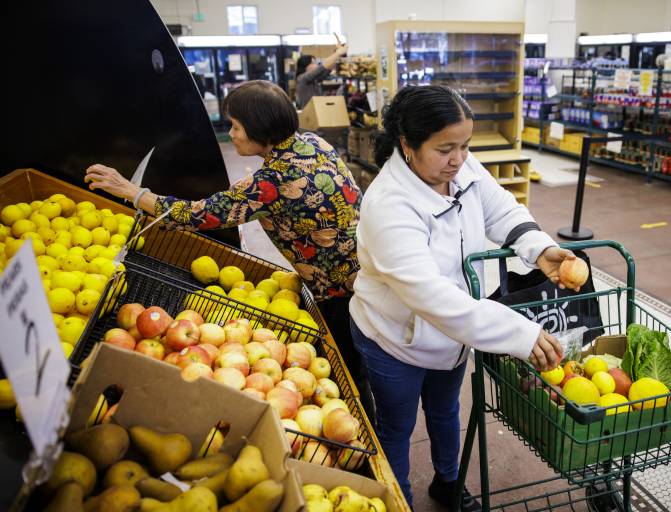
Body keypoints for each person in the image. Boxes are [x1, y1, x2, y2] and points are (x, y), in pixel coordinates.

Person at [84, 79, 375, 420]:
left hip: (338, 290)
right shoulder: (311, 142)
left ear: (260, 130)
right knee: (358, 366)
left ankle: (372, 450)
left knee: (349, 377)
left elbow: (199, 215)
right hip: (362, 269)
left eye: (236, 127)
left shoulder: (273, 181)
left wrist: (131, 191)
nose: (232, 134)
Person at [349, 85, 578, 509]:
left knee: (445, 411)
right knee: (397, 427)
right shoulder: (389, 204)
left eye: (465, 146)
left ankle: (448, 482)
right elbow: (431, 297)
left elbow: (500, 207)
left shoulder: (460, 168)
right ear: (407, 145)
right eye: (445, 149)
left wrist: (539, 248)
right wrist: (518, 333)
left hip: (456, 332)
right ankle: (399, 500)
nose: (458, 159)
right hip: (394, 336)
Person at [295, 34, 348, 109]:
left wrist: (338, 54)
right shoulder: (302, 78)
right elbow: (321, 67)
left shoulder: (314, 79)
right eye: (313, 63)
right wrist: (337, 53)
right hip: (310, 115)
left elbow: (328, 68)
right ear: (306, 66)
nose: (316, 65)